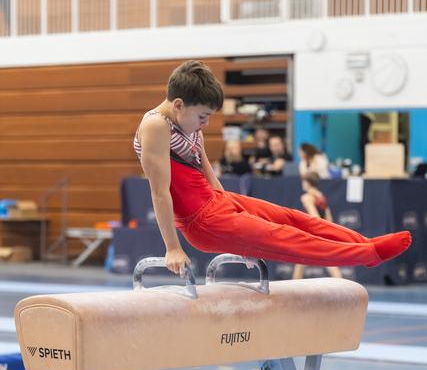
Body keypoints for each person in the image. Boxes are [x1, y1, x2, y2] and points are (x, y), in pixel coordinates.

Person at [134, 60, 411, 276]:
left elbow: (208, 173)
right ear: (179, 105)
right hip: (201, 222)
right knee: (285, 238)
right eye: (203, 116)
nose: (206, 123)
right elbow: (159, 193)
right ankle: (368, 254)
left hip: (218, 203)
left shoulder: (189, 122)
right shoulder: (156, 125)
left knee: (292, 218)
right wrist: (173, 248)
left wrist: (236, 230)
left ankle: (365, 243)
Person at [293, 172, 342, 279]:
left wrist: (314, 233)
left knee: (300, 260)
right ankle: (341, 283)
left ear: (307, 183)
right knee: (303, 260)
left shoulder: (306, 197)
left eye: (303, 181)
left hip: (312, 233)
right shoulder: (320, 196)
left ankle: (293, 288)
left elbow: (315, 217)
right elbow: (329, 218)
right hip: (321, 231)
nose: (302, 184)